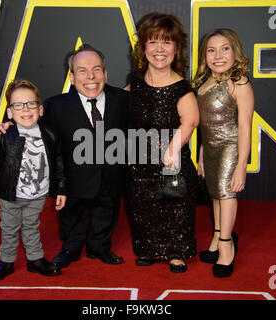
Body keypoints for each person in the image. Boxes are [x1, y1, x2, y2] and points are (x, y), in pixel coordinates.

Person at [0, 44, 129, 268]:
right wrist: (9, 127)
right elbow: (38, 131)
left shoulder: (123, 100)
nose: (91, 76)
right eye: (82, 71)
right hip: (73, 180)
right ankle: (71, 248)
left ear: (105, 74)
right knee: (72, 216)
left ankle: (100, 247)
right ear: (72, 77)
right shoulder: (56, 105)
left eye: (97, 69)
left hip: (110, 176)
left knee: (107, 211)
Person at [124, 13, 200, 273]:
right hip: (140, 163)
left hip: (172, 163)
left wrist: (171, 150)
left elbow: (189, 122)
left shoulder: (182, 88)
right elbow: (115, 111)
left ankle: (176, 252)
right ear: (143, 47)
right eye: (153, 42)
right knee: (141, 205)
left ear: (176, 48)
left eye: (167, 43)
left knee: (174, 207)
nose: (159, 49)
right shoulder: (134, 83)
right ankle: (149, 248)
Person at [0, 79, 67, 280]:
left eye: (30, 104)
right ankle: (7, 261)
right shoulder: (4, 137)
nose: (25, 109)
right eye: (18, 105)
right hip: (9, 194)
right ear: (10, 112)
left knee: (31, 226)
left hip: (37, 194)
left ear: (40, 109)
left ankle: (35, 260)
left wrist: (62, 189)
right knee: (9, 228)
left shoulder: (50, 134)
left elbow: (58, 162)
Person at [193, 28, 254, 277]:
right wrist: (201, 154)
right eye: (211, 50)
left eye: (224, 48)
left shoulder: (239, 82)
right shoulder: (203, 83)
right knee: (215, 194)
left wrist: (241, 165)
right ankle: (218, 238)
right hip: (210, 147)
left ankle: (227, 247)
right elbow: (205, 124)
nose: (218, 55)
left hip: (230, 146)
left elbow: (245, 126)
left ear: (235, 51)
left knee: (227, 194)